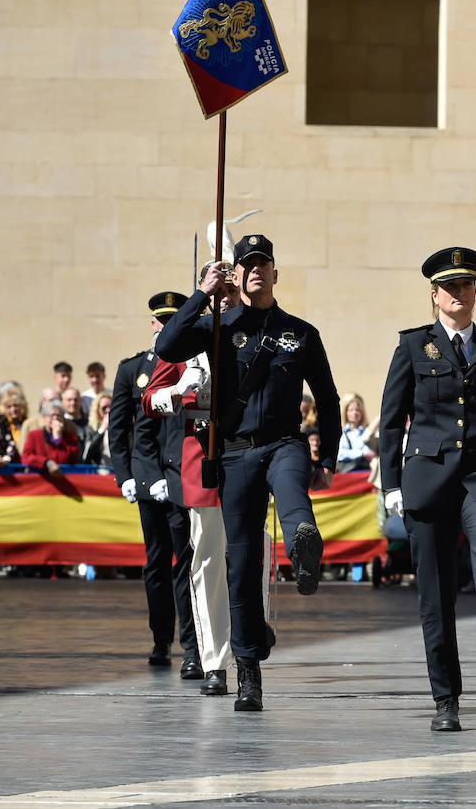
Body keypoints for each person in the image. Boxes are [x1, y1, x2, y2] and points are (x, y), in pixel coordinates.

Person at [156, 234, 339, 712]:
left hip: (284, 442)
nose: (256, 269)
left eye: (264, 263)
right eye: (247, 264)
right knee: (241, 565)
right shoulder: (218, 325)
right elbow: (167, 345)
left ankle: (303, 538)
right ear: (236, 274)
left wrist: (329, 460)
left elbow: (329, 398)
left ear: (276, 274)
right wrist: (202, 293)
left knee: (292, 490)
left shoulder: (301, 333)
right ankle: (249, 674)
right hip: (236, 455)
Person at [379, 246, 476, 732]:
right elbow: (390, 421)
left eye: (465, 285)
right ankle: (446, 700)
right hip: (426, 480)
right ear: (434, 295)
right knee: (435, 597)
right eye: (449, 287)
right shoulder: (411, 346)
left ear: (474, 291)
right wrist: (391, 486)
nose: (458, 294)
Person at [143, 262, 272, 698]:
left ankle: (254, 633)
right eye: (219, 295)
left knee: (255, 551)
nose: (226, 302)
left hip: (250, 452)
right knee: (210, 559)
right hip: (204, 455)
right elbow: (150, 395)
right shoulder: (193, 333)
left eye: (230, 292)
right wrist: (179, 394)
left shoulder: (258, 329)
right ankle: (216, 660)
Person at [110, 291, 200, 675]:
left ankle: (193, 646)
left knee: (188, 564)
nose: (167, 327)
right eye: (162, 321)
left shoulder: (192, 364)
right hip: (150, 481)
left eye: (173, 320)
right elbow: (124, 431)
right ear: (154, 324)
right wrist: (130, 477)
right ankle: (161, 639)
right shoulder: (134, 368)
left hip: (182, 476)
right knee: (157, 564)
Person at [21, 401, 81, 474]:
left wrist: (58, 438)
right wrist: (46, 462)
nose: (55, 418)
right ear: (44, 418)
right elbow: (26, 457)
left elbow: (70, 460)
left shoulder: (71, 438)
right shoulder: (34, 435)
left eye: (59, 415)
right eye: (51, 415)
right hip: (39, 479)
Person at [336, 394, 377, 474]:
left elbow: (371, 452)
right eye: (351, 410)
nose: (355, 413)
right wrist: (361, 454)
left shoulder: (367, 431)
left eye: (357, 410)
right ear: (346, 412)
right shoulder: (342, 433)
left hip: (366, 472)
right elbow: (340, 454)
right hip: (348, 474)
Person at [83, 391, 113, 468]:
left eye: (111, 407)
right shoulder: (90, 428)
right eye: (104, 408)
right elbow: (86, 454)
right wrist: (101, 430)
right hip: (99, 473)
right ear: (97, 410)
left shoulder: (120, 428)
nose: (108, 410)